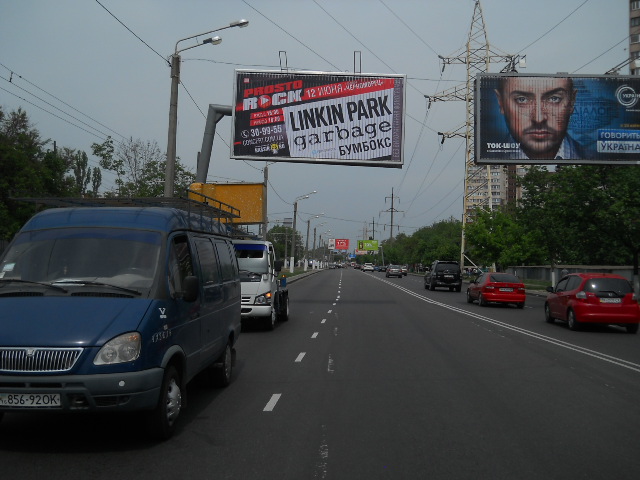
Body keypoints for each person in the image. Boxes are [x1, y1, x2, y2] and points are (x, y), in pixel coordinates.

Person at [493, 76, 587, 160]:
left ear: (572, 102)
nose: (539, 118)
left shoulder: (590, 156)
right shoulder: (491, 156)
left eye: (554, 98)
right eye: (522, 99)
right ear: (501, 102)